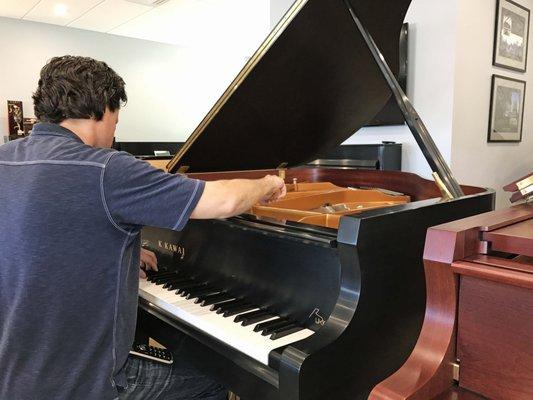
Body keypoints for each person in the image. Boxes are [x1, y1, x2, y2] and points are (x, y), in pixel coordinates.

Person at [0, 55, 286, 400]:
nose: (114, 132)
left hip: (14, 374)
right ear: (102, 109)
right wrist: (267, 183)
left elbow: (37, 240)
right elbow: (224, 202)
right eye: (116, 122)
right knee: (215, 376)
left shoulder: (6, 158)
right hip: (83, 385)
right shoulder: (108, 169)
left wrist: (115, 258)